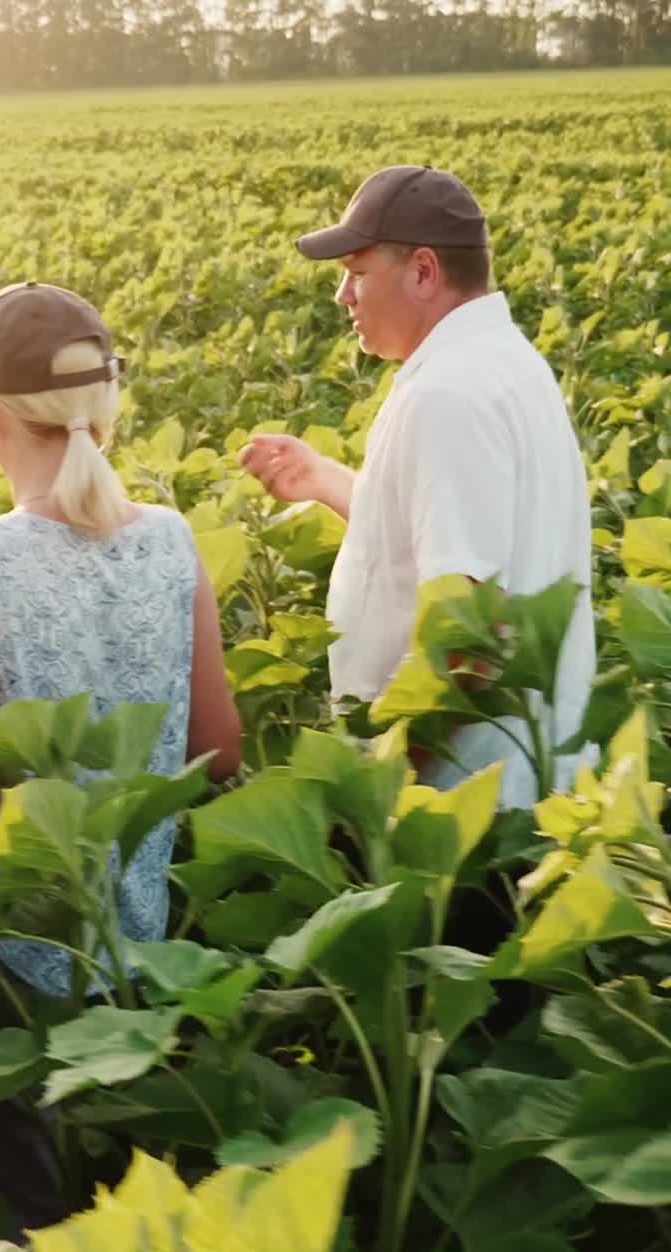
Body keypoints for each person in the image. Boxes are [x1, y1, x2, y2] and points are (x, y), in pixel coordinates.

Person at [0, 281, 241, 1229]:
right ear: (109, 407)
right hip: (135, 951)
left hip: (5, 961)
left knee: (19, 1219)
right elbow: (220, 753)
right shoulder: (174, 541)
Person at [241, 165, 594, 809]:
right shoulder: (504, 362)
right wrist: (324, 479)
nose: (342, 295)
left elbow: (470, 630)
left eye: (357, 271)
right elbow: (450, 539)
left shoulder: (447, 396)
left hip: (468, 803)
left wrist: (386, 774)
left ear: (424, 271)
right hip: (528, 776)